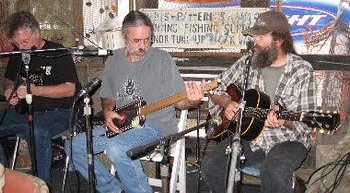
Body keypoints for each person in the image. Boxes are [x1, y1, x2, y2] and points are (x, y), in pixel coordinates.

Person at [66, 10, 204, 193]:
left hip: (156, 127)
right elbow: (108, 95)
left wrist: (193, 102)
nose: (143, 46)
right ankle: (112, 189)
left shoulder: (162, 59)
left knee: (117, 148)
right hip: (123, 125)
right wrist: (108, 111)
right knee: (74, 145)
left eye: (147, 40)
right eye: (137, 41)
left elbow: (180, 102)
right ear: (124, 37)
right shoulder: (114, 60)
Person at [201, 10, 317, 193]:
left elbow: (305, 122)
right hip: (250, 137)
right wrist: (226, 103)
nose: (255, 41)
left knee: (274, 171)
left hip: (288, 140)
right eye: (255, 36)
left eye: (261, 37)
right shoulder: (248, 63)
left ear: (278, 39)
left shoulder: (302, 71)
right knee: (211, 168)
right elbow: (215, 88)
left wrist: (284, 120)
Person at [0, 11, 80, 186]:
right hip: (24, 112)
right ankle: (3, 181)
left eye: (25, 41)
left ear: (37, 33)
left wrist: (34, 90)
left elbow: (69, 89)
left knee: (37, 130)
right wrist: (9, 90)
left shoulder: (58, 52)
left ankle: (42, 186)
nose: (21, 47)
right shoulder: (18, 53)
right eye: (17, 43)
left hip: (60, 113)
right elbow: (8, 78)